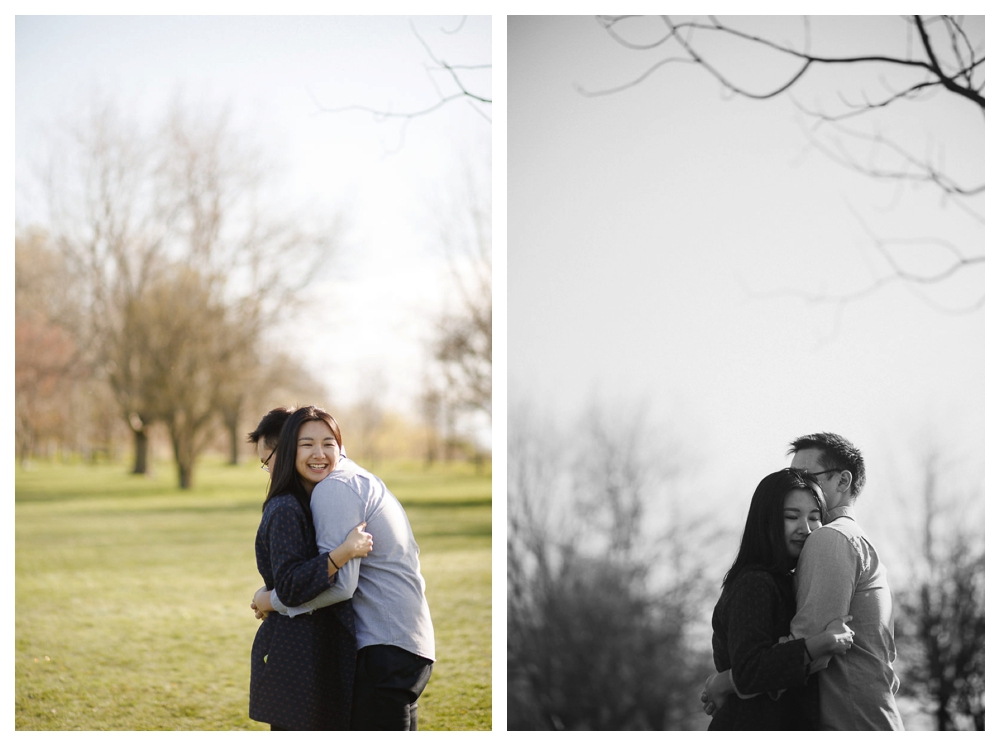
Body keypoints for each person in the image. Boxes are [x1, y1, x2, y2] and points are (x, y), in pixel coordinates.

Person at [704, 433, 904, 730]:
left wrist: (725, 682)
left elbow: (809, 643)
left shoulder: (830, 538)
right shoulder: (855, 542)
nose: (797, 482)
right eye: (791, 475)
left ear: (842, 481)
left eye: (805, 475)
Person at [252, 405, 435, 731]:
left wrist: (271, 602)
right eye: (306, 445)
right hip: (407, 641)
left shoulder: (334, 488)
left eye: (326, 444)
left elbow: (342, 586)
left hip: (382, 645)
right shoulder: (360, 478)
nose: (318, 453)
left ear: (339, 444)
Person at [248, 406, 374, 730]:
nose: (270, 469)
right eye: (307, 445)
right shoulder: (286, 508)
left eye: (267, 461)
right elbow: (289, 586)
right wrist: (342, 553)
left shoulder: (311, 502)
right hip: (298, 660)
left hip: (313, 655)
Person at [707, 468, 854, 730]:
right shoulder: (754, 582)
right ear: (765, 521)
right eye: (791, 517)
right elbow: (749, 671)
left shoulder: (784, 580)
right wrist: (820, 644)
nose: (806, 529)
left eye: (814, 517)